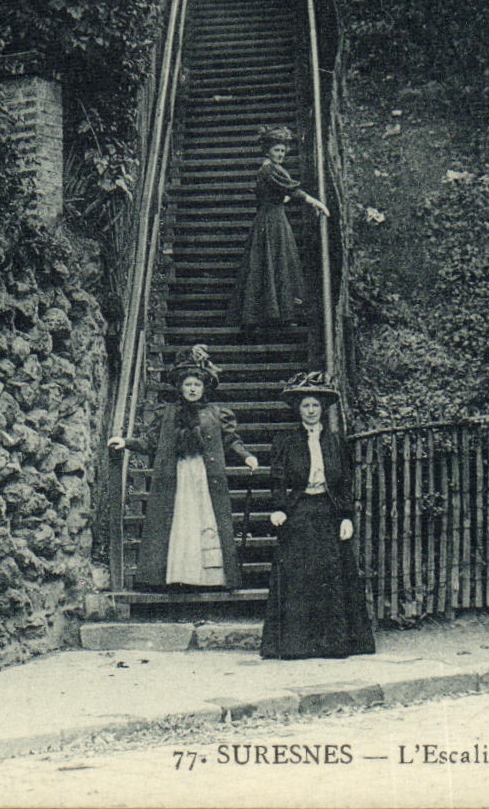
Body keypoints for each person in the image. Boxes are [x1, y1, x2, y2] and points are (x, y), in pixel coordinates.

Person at [108, 346, 259, 590]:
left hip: (205, 477)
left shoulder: (215, 414)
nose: (192, 389)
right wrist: (126, 442)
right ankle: (178, 575)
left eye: (196, 385)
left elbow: (231, 440)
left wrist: (246, 456)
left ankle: (209, 578)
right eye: (187, 384)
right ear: (180, 387)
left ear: (204, 388)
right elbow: (150, 442)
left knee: (204, 519)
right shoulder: (167, 414)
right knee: (179, 521)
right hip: (176, 476)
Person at [260, 371, 375, 659]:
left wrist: (347, 516)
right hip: (299, 510)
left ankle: (334, 644)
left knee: (332, 575)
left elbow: (345, 481)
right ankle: (297, 645)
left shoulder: (336, 441)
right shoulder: (286, 441)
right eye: (305, 406)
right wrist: (279, 508)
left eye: (315, 406)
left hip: (329, 510)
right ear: (298, 410)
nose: (311, 411)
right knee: (298, 576)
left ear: (322, 409)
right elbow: (277, 478)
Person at [234, 127, 330, 326]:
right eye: (277, 150)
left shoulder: (270, 169)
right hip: (271, 222)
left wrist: (282, 198)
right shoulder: (270, 169)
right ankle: (272, 314)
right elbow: (292, 191)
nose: (280, 154)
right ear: (268, 150)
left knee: (278, 262)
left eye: (283, 151)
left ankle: (279, 313)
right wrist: (317, 203)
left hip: (273, 217)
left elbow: (277, 194)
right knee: (273, 262)